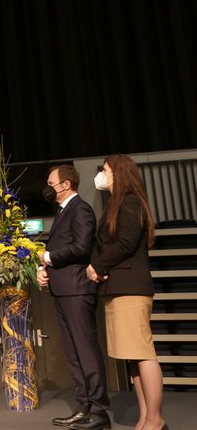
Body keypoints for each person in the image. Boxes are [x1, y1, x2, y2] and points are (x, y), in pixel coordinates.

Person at [85, 155, 168, 430]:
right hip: (117, 288)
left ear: (118, 174)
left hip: (131, 288)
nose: (102, 175)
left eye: (105, 171)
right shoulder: (116, 204)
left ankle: (155, 420)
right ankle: (145, 417)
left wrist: (97, 266)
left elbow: (125, 242)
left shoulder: (131, 202)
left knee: (143, 353)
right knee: (133, 357)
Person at [37, 165, 110, 430]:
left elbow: (81, 246)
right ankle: (84, 406)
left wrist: (48, 257)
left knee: (86, 351)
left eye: (50, 182)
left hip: (78, 290)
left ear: (66, 184)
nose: (47, 187)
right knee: (73, 353)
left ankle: (100, 411)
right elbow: (60, 248)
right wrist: (44, 270)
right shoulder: (63, 212)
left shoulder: (81, 209)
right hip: (63, 289)